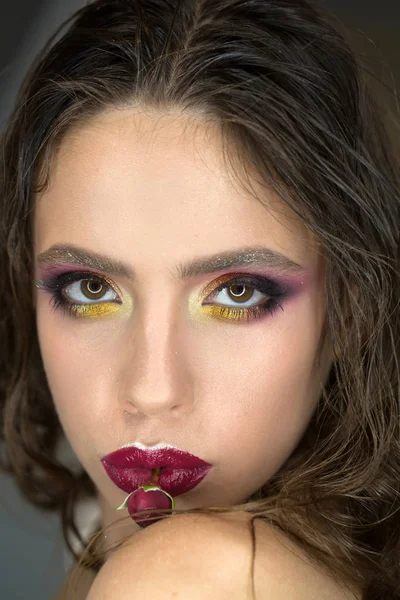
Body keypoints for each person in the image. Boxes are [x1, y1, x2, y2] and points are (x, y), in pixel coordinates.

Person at [1, 0, 399, 598]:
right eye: (92, 288)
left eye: (237, 294)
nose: (152, 390)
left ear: (351, 311)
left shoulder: (187, 578)